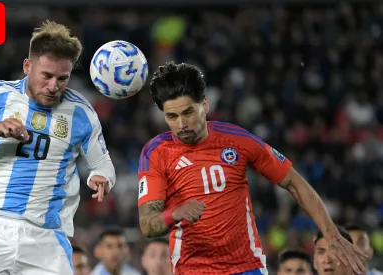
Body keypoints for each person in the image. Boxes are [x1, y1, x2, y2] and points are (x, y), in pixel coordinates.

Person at [136, 62, 367, 275]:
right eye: (172, 116)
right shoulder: (156, 152)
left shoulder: (237, 139)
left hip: (247, 266)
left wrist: (330, 232)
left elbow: (294, 182)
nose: (181, 124)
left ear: (204, 104)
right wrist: (173, 214)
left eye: (188, 112)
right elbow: (148, 225)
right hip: (192, 269)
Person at [0, 21, 116, 274]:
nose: (54, 86)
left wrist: (103, 176)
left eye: (62, 78)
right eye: (46, 75)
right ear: (27, 66)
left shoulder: (82, 112)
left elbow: (102, 163)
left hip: (48, 238)